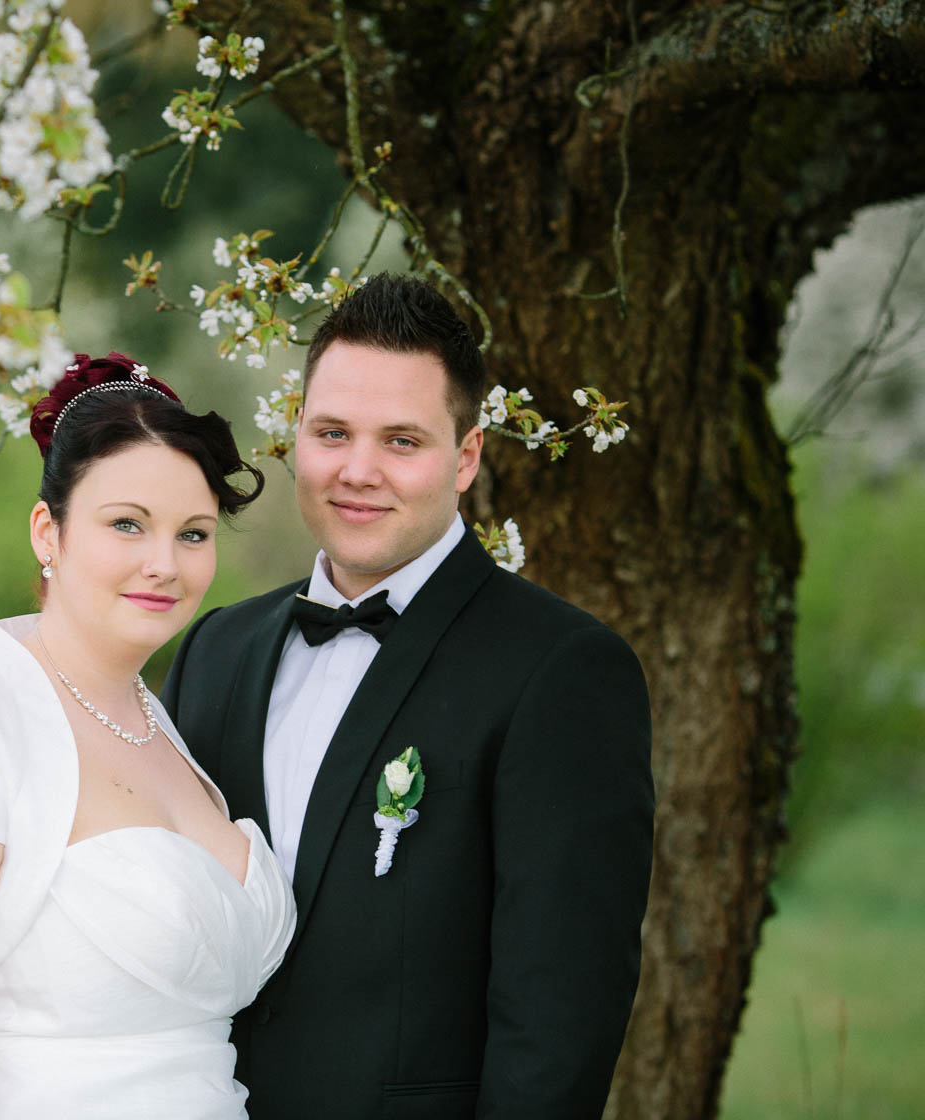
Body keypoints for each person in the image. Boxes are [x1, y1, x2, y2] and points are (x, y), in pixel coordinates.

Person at [161, 275, 655, 1119]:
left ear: (465, 458)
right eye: (332, 433)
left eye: (401, 441)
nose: (358, 471)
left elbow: (559, 1020)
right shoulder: (216, 648)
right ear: (297, 437)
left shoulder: (563, 670)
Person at [0, 352, 295, 1120]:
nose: (165, 564)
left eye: (193, 533)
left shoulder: (161, 726)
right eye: (127, 525)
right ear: (48, 531)